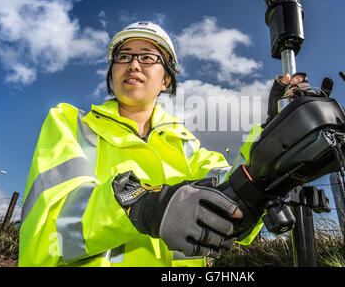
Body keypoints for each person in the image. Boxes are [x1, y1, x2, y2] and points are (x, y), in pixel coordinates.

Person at [18, 21, 306, 267]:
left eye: (147, 57)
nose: (133, 64)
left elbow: (235, 189)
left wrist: (271, 135)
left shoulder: (186, 145)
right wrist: (141, 208)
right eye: (124, 56)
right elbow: (49, 227)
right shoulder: (70, 123)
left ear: (166, 79)